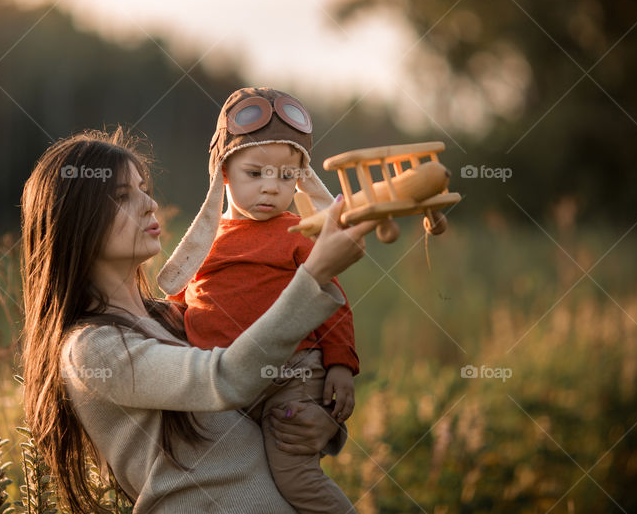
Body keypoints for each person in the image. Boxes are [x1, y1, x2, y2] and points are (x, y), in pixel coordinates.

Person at [20, 128, 378, 513]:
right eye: (124, 196)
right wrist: (314, 274)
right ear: (77, 222)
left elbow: (255, 395)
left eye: (144, 188)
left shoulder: (179, 318)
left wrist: (315, 420)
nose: (150, 204)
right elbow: (223, 378)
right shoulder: (91, 349)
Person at [158, 87, 358, 513]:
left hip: (290, 379)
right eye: (256, 173)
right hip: (222, 386)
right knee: (241, 482)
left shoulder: (299, 233)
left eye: (287, 177)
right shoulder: (205, 243)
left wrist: (341, 365)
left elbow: (332, 298)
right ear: (224, 174)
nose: (272, 188)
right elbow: (177, 306)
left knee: (295, 479)